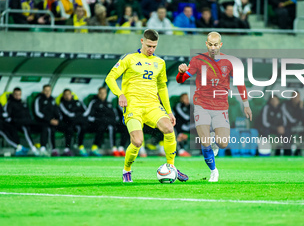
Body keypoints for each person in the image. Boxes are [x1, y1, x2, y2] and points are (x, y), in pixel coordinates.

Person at [105, 29, 189, 182]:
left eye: (154, 47)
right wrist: (120, 94)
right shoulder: (129, 58)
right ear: (142, 41)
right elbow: (110, 78)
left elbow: (162, 88)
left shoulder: (160, 63)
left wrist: (169, 112)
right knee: (137, 141)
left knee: (169, 129)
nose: (151, 49)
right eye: (149, 45)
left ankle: (171, 167)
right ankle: (127, 170)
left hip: (152, 106)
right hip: (133, 106)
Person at [176, 32, 252, 182]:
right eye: (210, 44)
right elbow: (181, 79)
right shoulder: (198, 60)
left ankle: (214, 142)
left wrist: (246, 104)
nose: (212, 47)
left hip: (220, 107)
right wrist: (180, 73)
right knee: (205, 141)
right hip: (201, 105)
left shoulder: (228, 62)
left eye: (215, 45)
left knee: (223, 143)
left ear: (220, 45)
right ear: (206, 44)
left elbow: (240, 83)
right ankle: (214, 171)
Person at [83, 87, 126, 156]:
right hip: (97, 124)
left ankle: (121, 148)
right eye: (101, 93)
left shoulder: (109, 103)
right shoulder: (94, 102)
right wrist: (99, 120)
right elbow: (88, 115)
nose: (103, 95)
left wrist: (110, 120)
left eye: (104, 93)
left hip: (110, 124)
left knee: (124, 127)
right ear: (98, 94)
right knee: (102, 126)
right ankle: (96, 147)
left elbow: (115, 116)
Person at [3, 87, 39, 156]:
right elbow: (6, 115)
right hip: (16, 124)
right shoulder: (10, 103)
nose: (18, 96)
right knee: (25, 128)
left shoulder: (23, 103)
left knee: (45, 127)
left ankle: (41, 147)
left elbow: (28, 114)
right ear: (13, 94)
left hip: (27, 122)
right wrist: (14, 121)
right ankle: (33, 148)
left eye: (19, 94)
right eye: (16, 94)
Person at [34, 84, 61, 156]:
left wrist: (57, 120)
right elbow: (37, 113)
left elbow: (57, 111)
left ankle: (66, 149)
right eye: (46, 90)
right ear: (43, 91)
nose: (47, 92)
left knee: (68, 127)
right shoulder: (38, 99)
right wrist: (49, 120)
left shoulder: (52, 100)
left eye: (49, 90)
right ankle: (43, 148)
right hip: (41, 121)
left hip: (53, 121)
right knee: (47, 128)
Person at [59, 88, 88, 156]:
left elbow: (86, 111)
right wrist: (78, 115)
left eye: (68, 94)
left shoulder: (78, 102)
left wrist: (78, 116)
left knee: (82, 127)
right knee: (69, 129)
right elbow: (68, 114)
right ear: (63, 96)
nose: (67, 96)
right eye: (65, 95)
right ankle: (67, 149)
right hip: (68, 122)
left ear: (71, 95)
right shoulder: (62, 103)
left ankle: (80, 146)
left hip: (78, 122)